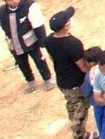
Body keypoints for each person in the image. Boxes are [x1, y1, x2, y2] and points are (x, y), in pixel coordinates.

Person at [45, 9, 89, 139]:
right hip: (75, 83)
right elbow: (82, 66)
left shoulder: (49, 40)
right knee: (81, 109)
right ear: (66, 25)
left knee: (71, 103)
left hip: (62, 80)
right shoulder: (73, 43)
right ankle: (79, 134)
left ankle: (72, 120)